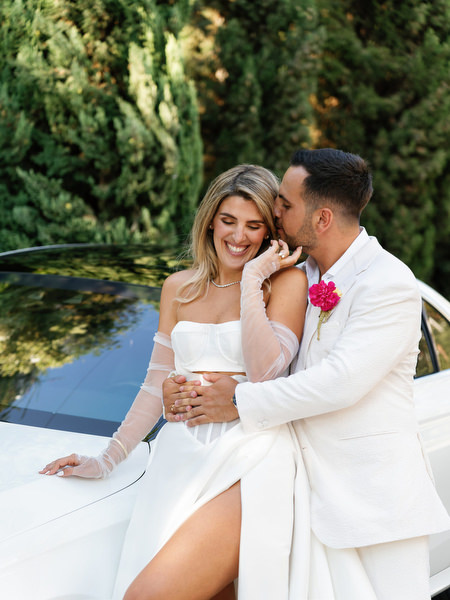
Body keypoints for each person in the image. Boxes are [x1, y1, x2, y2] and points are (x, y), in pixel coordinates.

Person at [165, 148, 450, 600]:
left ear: (320, 219)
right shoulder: (297, 274)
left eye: (284, 203)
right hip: (300, 499)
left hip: (372, 507)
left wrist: (237, 399)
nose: (274, 211)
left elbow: (341, 381)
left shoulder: (388, 283)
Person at [40, 164, 309, 599]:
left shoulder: (286, 284)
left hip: (250, 459)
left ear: (269, 233)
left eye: (253, 225)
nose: (238, 236)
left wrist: (253, 282)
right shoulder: (178, 288)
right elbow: (154, 385)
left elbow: (265, 374)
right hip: (178, 458)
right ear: (210, 221)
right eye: (228, 221)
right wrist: (106, 459)